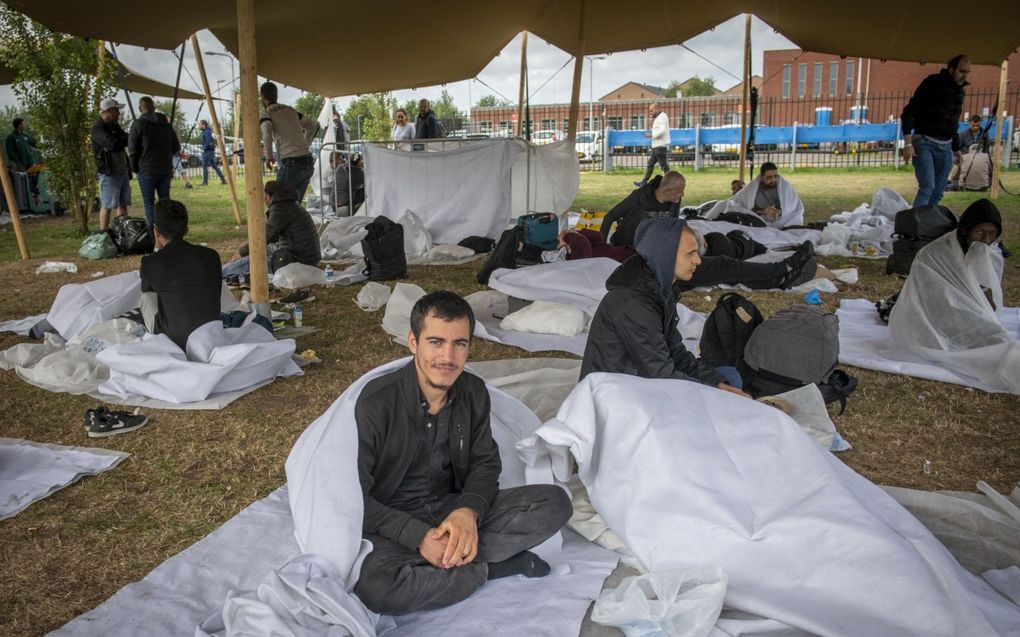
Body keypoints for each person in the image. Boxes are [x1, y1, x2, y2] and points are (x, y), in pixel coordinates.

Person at [352, 290, 573, 615]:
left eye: (459, 344)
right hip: (390, 522)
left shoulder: (472, 392)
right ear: (413, 342)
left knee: (554, 503)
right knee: (378, 589)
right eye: (436, 342)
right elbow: (355, 496)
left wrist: (467, 512)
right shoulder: (376, 403)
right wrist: (419, 537)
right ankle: (490, 569)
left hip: (448, 508)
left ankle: (447, 559)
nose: (448, 357)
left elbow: (485, 464)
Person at [581, 216, 755, 394]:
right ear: (665, 256)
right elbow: (660, 374)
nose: (698, 260)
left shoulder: (659, 290)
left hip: (642, 378)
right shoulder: (634, 303)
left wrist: (717, 384)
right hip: (618, 394)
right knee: (726, 390)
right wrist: (714, 393)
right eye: (690, 253)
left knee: (730, 377)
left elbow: (676, 354)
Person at [889, 199, 1018, 393]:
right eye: (980, 232)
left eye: (992, 234)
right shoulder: (935, 254)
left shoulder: (987, 251)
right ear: (965, 230)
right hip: (932, 315)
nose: (985, 239)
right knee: (995, 346)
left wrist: (981, 311)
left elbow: (985, 290)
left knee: (993, 336)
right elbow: (934, 297)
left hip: (959, 310)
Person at [139, 199, 222, 351]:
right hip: (211, 336)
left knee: (147, 297)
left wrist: (157, 250)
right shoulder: (211, 255)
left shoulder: (151, 262)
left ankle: (156, 336)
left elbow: (148, 293)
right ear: (186, 230)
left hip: (174, 341)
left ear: (156, 231)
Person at [900, 54, 970, 207]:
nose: (964, 76)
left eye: (967, 72)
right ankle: (916, 227)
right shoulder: (932, 83)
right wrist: (907, 143)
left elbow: (953, 121)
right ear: (951, 69)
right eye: (961, 71)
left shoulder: (959, 91)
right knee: (927, 187)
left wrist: (956, 148)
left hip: (946, 145)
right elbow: (909, 112)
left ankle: (928, 223)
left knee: (938, 191)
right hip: (924, 141)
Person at [222, 180, 321, 280]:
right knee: (260, 251)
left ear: (268, 196)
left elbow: (264, 237)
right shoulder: (289, 204)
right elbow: (272, 236)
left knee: (251, 261)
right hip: (305, 256)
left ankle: (216, 273)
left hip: (298, 260)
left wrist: (241, 252)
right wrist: (245, 247)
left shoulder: (280, 209)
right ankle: (225, 269)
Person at [260, 81, 317, 203]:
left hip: (291, 162)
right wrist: (305, 145)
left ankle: (275, 222)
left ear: (263, 98)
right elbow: (312, 125)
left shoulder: (266, 113)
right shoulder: (290, 110)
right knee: (294, 204)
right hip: (307, 161)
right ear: (276, 96)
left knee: (276, 202)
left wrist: (269, 156)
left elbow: (267, 133)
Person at [129, 97, 181, 229]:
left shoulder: (138, 124)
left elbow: (133, 149)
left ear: (141, 108)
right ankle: (168, 230)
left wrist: (134, 167)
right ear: (154, 107)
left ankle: (154, 234)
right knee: (165, 202)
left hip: (146, 170)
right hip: (164, 169)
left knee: (149, 204)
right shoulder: (166, 126)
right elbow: (176, 147)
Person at [600, 170, 686, 247]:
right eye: (680, 191)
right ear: (668, 191)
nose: (682, 194)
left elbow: (673, 226)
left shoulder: (675, 200)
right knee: (640, 213)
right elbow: (610, 216)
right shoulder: (639, 197)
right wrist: (601, 246)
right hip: (625, 245)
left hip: (650, 247)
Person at [718, 162, 805, 228]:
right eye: (769, 177)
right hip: (757, 223)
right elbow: (743, 208)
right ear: (761, 177)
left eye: (775, 176)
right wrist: (763, 211)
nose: (773, 180)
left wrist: (780, 212)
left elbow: (793, 208)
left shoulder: (783, 187)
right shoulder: (752, 189)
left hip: (781, 222)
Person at [91, 97, 132, 230]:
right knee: (107, 205)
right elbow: (111, 144)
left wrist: (119, 140)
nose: (119, 113)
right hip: (109, 172)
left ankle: (122, 230)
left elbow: (127, 139)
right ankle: (104, 233)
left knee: (123, 203)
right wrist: (119, 140)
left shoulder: (114, 126)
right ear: (109, 110)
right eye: (117, 110)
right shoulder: (98, 128)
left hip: (121, 170)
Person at [5, 117, 41, 205]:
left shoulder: (25, 135)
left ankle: (36, 197)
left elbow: (35, 143)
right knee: (25, 180)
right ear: (19, 125)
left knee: (35, 176)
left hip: (30, 162)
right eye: (23, 123)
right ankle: (27, 202)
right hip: (20, 164)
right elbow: (10, 152)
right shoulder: (11, 137)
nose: (25, 125)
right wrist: (17, 162)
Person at [635, 103, 669, 187]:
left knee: (664, 166)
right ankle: (643, 182)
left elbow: (662, 131)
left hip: (660, 146)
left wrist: (651, 135)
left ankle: (670, 182)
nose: (650, 113)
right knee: (651, 164)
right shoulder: (659, 117)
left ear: (657, 109)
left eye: (651, 111)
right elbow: (659, 129)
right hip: (657, 146)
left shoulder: (662, 117)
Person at [198, 120, 227, 186]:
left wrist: (204, 149)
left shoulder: (207, 131)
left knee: (204, 166)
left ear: (203, 125)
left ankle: (205, 182)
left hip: (208, 151)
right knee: (214, 166)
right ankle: (223, 180)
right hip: (209, 151)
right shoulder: (205, 131)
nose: (199, 126)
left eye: (200, 124)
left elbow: (208, 141)